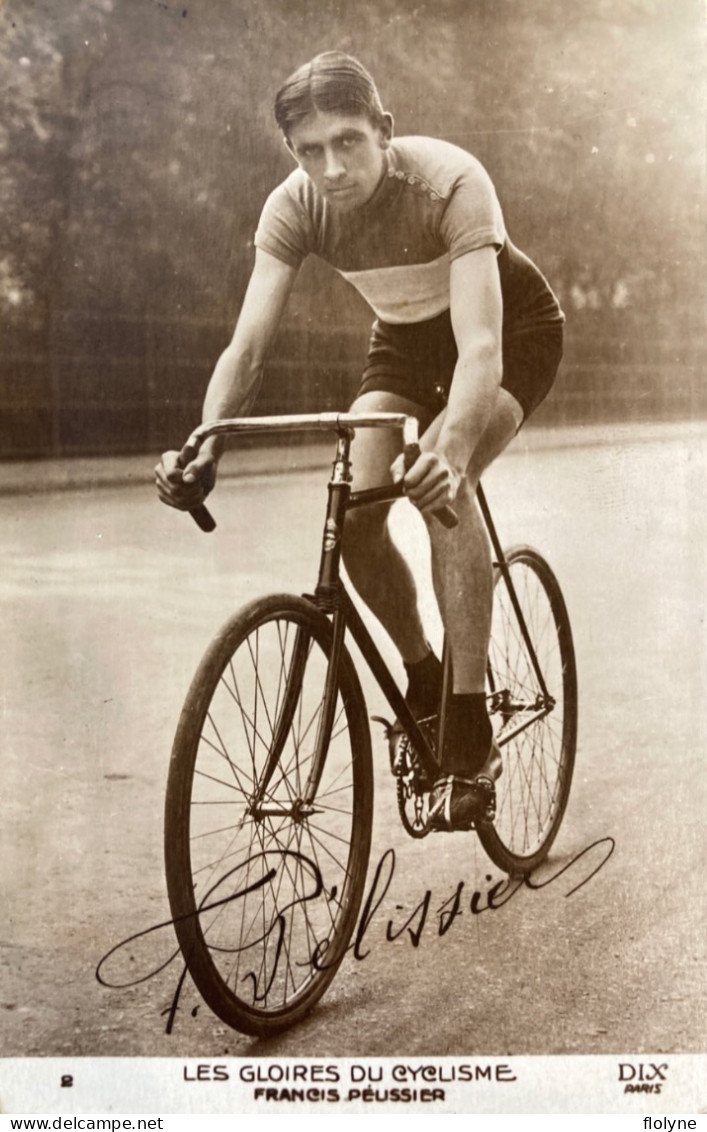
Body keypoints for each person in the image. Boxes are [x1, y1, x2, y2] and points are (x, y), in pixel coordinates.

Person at [155, 52, 564, 831]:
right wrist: (204, 442)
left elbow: (480, 349)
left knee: (447, 484)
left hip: (509, 333)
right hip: (405, 346)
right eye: (309, 151)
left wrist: (449, 452)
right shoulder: (294, 206)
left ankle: (469, 724)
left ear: (384, 129)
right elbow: (246, 349)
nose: (331, 168)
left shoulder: (448, 181)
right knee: (356, 517)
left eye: (347, 142)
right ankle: (422, 673)